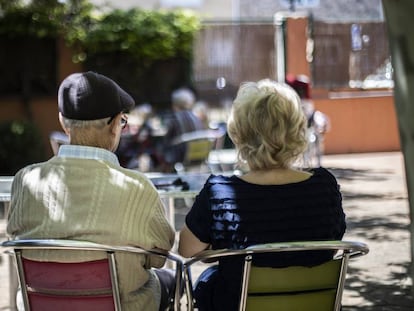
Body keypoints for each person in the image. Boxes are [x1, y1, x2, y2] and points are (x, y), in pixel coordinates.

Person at [7, 71, 176, 311]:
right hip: (123, 306)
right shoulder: (138, 189)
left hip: (43, 305)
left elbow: (16, 238)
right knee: (171, 278)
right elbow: (159, 257)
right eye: (123, 122)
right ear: (115, 124)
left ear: (63, 123)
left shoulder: (25, 180)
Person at [178, 79, 346, 311]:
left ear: (239, 133)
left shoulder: (221, 193)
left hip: (241, 304)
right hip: (311, 303)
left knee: (208, 280)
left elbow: (186, 249)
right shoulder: (324, 186)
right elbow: (332, 245)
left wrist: (222, 250)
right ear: (297, 129)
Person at [158, 87, 205, 172]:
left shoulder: (174, 119)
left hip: (180, 156)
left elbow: (167, 138)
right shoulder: (196, 118)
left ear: (174, 103)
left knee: (160, 146)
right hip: (197, 157)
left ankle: (163, 171)